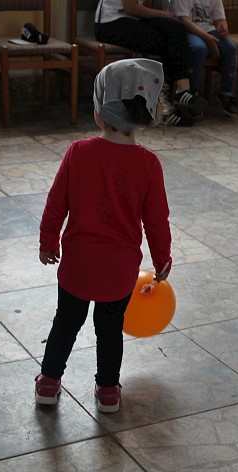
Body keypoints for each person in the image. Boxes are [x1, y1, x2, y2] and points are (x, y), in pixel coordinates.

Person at [36, 59, 173, 413]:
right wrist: (162, 259)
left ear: (99, 113)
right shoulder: (148, 164)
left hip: (78, 267)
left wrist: (48, 242)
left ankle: (48, 383)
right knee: (110, 331)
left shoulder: (78, 153)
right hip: (119, 272)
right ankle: (108, 391)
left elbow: (56, 204)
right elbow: (157, 221)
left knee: (65, 324)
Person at [95, 0, 207, 126]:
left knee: (176, 28)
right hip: (110, 24)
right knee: (168, 43)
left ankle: (181, 91)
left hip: (131, 19)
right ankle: (165, 109)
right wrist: (163, 14)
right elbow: (131, 8)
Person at [172, 0, 238, 116]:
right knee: (199, 49)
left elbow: (220, 19)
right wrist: (206, 37)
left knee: (230, 49)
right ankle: (192, 95)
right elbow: (184, 20)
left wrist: (223, 27)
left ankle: (226, 93)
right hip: (188, 31)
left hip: (210, 31)